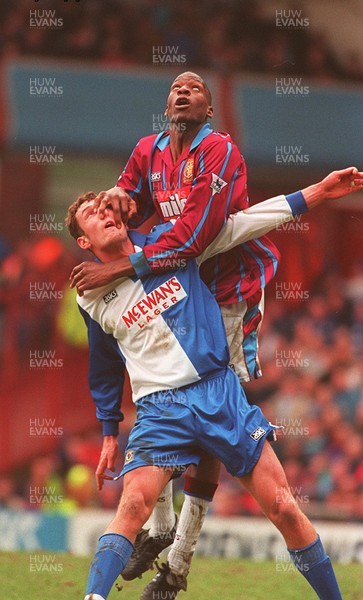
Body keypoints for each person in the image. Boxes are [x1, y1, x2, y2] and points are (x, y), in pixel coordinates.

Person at [66, 165, 363, 600]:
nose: (105, 212)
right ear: (83, 242)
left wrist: (319, 191)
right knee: (132, 505)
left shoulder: (176, 242)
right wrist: (109, 431)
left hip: (217, 393)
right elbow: (104, 366)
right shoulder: (88, 295)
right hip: (159, 408)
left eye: (106, 204)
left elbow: (246, 222)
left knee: (283, 506)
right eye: (93, 213)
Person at [69, 71, 282, 592]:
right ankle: (161, 528)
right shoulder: (149, 150)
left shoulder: (219, 152)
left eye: (195, 87)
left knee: (210, 415)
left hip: (223, 288)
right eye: (175, 87)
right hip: (172, 278)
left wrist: (118, 267)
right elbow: (128, 193)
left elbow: (194, 237)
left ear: (209, 109)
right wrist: (117, 194)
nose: (183, 90)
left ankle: (179, 561)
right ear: (165, 106)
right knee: (158, 388)